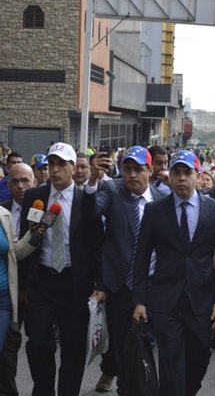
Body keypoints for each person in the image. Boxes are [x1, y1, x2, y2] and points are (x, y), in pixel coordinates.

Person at [132, 150, 215, 396]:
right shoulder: (155, 210)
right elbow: (142, 258)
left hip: (202, 300)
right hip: (166, 300)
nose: (182, 178)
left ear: (198, 175)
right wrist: (140, 300)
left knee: (198, 359)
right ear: (170, 176)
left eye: (188, 173)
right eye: (177, 173)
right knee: (170, 363)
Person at [19, 142, 105, 396]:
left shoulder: (86, 200)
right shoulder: (36, 197)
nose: (55, 170)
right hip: (42, 282)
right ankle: (43, 389)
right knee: (38, 343)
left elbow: (97, 245)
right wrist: (23, 285)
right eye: (51, 164)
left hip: (74, 284)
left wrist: (101, 284)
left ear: (73, 167)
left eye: (60, 164)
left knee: (73, 348)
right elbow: (26, 242)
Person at [84, 146, 168, 393]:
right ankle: (124, 383)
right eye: (127, 169)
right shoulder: (111, 190)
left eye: (138, 170)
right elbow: (91, 212)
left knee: (145, 341)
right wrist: (91, 180)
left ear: (150, 171)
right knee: (122, 343)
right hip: (120, 284)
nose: (132, 175)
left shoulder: (163, 200)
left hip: (152, 284)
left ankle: (140, 385)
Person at [0, 163, 41, 396]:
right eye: (15, 181)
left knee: (39, 346)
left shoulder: (43, 210)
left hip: (32, 292)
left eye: (25, 180)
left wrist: (36, 234)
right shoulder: (4, 209)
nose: (20, 186)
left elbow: (19, 251)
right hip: (9, 294)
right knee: (6, 352)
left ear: (34, 182)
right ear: (7, 185)